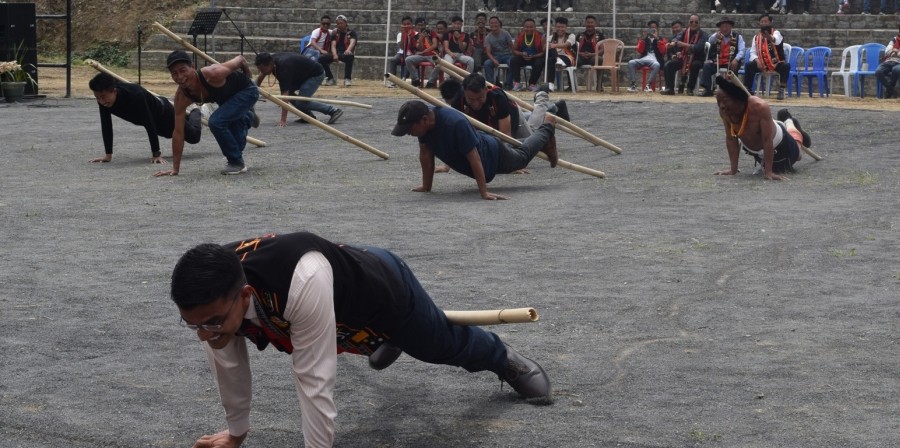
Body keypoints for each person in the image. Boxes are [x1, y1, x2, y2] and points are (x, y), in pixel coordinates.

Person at [170, 232, 552, 448]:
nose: (206, 334)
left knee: (439, 345)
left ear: (245, 295)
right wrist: (236, 436)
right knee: (317, 331)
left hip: (383, 292)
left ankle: (502, 357)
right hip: (331, 310)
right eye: (194, 325)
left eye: (212, 323)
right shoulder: (213, 298)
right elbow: (228, 364)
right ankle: (377, 343)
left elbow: (314, 378)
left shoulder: (300, 279)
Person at [391, 100, 559, 200]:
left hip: (492, 154)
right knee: (518, 146)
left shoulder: (454, 123)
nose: (409, 134)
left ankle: (547, 127)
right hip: (481, 143)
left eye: (409, 129)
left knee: (521, 157)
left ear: (424, 120)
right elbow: (426, 156)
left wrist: (483, 192)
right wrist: (426, 186)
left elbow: (474, 157)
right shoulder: (424, 127)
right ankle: (541, 140)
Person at [156, 50, 259, 176]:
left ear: (193, 67)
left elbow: (240, 59)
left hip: (247, 91)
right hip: (227, 101)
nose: (180, 77)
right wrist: (175, 169)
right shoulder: (181, 97)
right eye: (174, 74)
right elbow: (178, 132)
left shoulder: (212, 74)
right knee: (237, 145)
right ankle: (247, 116)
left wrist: (248, 77)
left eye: (183, 70)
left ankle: (236, 162)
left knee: (216, 122)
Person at [713, 71, 811, 180]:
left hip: (781, 142)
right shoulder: (725, 111)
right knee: (776, 165)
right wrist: (733, 169)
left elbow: (767, 140)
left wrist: (768, 173)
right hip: (759, 151)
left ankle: (789, 122)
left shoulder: (759, 106)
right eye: (718, 101)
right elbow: (731, 139)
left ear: (736, 99)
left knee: (798, 156)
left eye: (725, 101)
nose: (721, 106)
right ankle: (787, 123)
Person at [87, 72, 201, 164]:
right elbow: (106, 125)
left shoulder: (135, 94)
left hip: (165, 113)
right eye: (97, 98)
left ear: (114, 91)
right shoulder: (103, 102)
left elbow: (149, 122)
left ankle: (196, 110)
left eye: (103, 97)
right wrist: (108, 155)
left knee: (194, 137)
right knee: (168, 134)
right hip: (154, 122)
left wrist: (156, 154)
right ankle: (186, 115)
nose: (101, 101)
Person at [253, 52, 343, 127]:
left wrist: (283, 120)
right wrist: (253, 90)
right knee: (293, 96)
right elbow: (261, 77)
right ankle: (307, 116)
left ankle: (333, 111)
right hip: (301, 75)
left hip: (315, 74)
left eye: (263, 69)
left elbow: (285, 97)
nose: (262, 72)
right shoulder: (271, 60)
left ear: (270, 64)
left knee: (301, 102)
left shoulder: (283, 67)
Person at [743, 14, 788, 100]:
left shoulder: (776, 33)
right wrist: (757, 61)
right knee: (749, 65)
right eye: (762, 22)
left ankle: (781, 89)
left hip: (776, 63)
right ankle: (748, 89)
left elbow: (777, 41)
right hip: (762, 64)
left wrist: (770, 38)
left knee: (786, 66)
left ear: (770, 23)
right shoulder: (756, 37)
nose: (763, 24)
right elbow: (753, 52)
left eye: (765, 22)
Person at [697, 17, 745, 97]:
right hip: (719, 61)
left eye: (726, 26)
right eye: (722, 27)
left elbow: (742, 50)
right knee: (707, 66)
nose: (724, 28)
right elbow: (710, 40)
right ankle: (708, 89)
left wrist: (736, 59)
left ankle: (732, 90)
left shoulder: (737, 37)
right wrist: (716, 35)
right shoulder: (717, 36)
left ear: (730, 27)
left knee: (734, 67)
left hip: (731, 61)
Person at [662, 14, 708, 95]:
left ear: (699, 23)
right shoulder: (685, 32)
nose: (693, 23)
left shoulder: (703, 34)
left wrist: (684, 45)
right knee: (668, 64)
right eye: (691, 21)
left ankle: (690, 88)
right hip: (684, 57)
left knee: (695, 65)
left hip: (697, 58)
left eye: (696, 22)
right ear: (688, 23)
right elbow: (677, 38)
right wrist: (672, 43)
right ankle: (670, 88)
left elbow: (698, 48)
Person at [626, 20, 667, 93]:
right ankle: (633, 85)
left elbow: (663, 51)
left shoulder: (661, 39)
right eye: (651, 28)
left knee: (657, 65)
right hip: (644, 58)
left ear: (658, 29)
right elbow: (639, 50)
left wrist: (657, 39)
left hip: (655, 59)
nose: (653, 30)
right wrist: (643, 39)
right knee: (631, 63)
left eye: (654, 28)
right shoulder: (645, 38)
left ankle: (648, 85)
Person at [509, 18, 547, 92]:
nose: (529, 29)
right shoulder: (519, 36)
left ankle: (532, 84)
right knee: (513, 60)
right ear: (523, 27)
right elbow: (514, 50)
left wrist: (533, 56)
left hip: (535, 57)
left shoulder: (541, 36)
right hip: (523, 57)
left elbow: (543, 52)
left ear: (535, 27)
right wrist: (521, 53)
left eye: (531, 27)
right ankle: (517, 83)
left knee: (540, 62)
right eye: (527, 27)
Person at [405, 18, 443, 88]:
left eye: (422, 25)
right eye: (419, 25)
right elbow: (420, 48)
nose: (421, 27)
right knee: (408, 59)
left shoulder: (431, 32)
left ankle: (430, 82)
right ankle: (416, 80)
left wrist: (425, 51)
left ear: (425, 25)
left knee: (439, 63)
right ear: (416, 26)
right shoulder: (415, 37)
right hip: (421, 55)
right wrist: (420, 39)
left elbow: (435, 45)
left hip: (432, 54)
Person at [319, 14, 356, 87]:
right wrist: (335, 54)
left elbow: (353, 42)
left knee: (350, 57)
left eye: (341, 23)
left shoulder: (351, 32)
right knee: (321, 59)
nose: (340, 25)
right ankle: (330, 78)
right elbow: (333, 45)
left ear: (346, 23)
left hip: (345, 53)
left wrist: (348, 50)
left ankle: (347, 79)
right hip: (336, 53)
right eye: (338, 23)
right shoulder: (335, 32)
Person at [483, 16, 515, 86]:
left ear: (499, 24)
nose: (494, 24)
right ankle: (490, 85)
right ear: (489, 25)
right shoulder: (488, 37)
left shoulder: (505, 33)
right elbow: (488, 52)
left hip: (507, 55)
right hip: (496, 56)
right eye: (492, 23)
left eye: (495, 23)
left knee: (513, 62)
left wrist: (514, 57)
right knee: (487, 63)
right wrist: (493, 60)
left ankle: (509, 84)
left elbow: (512, 47)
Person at [388, 16, 417, 86]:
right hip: (402, 53)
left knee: (408, 59)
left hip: (412, 53)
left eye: (408, 24)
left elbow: (416, 47)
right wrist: (403, 35)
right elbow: (401, 47)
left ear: (412, 25)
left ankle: (404, 78)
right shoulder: (400, 34)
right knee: (393, 60)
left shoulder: (416, 34)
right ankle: (393, 80)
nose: (406, 26)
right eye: (404, 24)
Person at [308, 15, 337, 85]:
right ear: (320, 24)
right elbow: (313, 42)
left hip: (322, 54)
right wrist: (321, 50)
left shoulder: (330, 32)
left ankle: (328, 78)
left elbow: (337, 31)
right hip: (311, 51)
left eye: (328, 24)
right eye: (324, 24)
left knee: (322, 59)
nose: (326, 25)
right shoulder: (316, 31)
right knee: (317, 58)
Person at [875, 25, 900, 98]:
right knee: (878, 72)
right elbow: (887, 51)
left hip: (899, 63)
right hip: (888, 61)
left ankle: (889, 93)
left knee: (896, 70)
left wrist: (897, 52)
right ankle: (892, 90)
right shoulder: (894, 39)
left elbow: (893, 51)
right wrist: (893, 51)